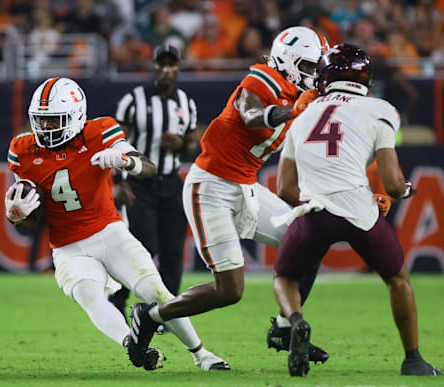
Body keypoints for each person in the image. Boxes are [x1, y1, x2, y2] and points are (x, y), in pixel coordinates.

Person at [125, 26, 331, 367]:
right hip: (210, 187)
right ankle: (152, 316)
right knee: (230, 291)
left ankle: (283, 326)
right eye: (309, 66)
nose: (314, 75)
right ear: (289, 61)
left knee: (309, 242)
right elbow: (251, 117)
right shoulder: (262, 78)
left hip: (246, 187)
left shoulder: (299, 96)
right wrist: (293, 111)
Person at [6, 77, 228, 371]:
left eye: (54, 120)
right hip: (69, 247)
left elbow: (148, 167)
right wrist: (17, 215)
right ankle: (134, 345)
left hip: (110, 233)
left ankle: (201, 354)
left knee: (157, 292)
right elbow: (29, 224)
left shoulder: (99, 131)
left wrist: (126, 161)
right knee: (91, 297)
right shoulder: (23, 150)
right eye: (41, 121)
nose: (46, 129)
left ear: (75, 117)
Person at [271, 44, 441, 377]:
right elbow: (392, 183)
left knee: (285, 277)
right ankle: (413, 359)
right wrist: (403, 191)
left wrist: (313, 207)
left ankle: (296, 322)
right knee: (397, 279)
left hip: (314, 211)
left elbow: (284, 189)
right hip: (359, 211)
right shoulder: (380, 109)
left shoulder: (302, 114)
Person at [109, 44, 198, 315]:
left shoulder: (186, 102)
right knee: (143, 245)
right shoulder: (133, 100)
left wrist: (181, 144)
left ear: (179, 68)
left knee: (172, 250)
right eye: (162, 64)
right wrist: (118, 181)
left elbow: (193, 144)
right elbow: (116, 142)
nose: (167, 70)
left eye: (172, 64)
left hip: (171, 181)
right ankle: (119, 296)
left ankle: (169, 311)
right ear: (153, 66)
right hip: (139, 184)